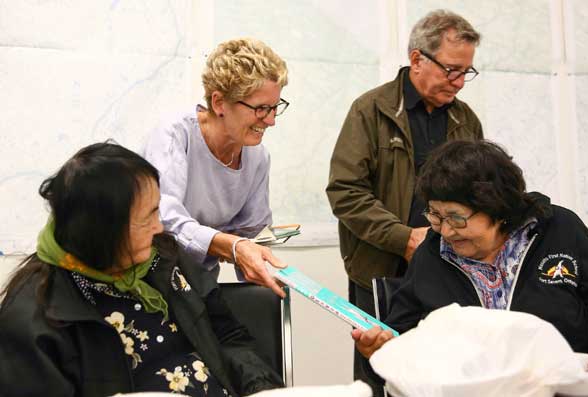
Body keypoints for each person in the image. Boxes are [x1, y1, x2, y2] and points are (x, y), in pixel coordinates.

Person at [0, 142, 283, 397]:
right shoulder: (36, 319)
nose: (159, 227)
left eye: (157, 211)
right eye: (146, 218)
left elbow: (229, 337)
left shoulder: (164, 256)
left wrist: (260, 390)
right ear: (103, 232)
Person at [326, 9, 483, 394]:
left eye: (467, 72)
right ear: (417, 59)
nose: (460, 82)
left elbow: (483, 195)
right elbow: (345, 191)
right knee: (379, 374)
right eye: (452, 70)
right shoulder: (370, 110)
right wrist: (403, 238)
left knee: (443, 373)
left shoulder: (466, 121)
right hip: (380, 270)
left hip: (450, 271)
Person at [353, 140, 588, 362]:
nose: (444, 231)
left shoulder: (560, 229)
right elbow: (399, 338)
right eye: (434, 215)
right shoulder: (431, 254)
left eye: (456, 218)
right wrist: (380, 350)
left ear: (497, 208)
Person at [143, 38, 289, 297]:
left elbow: (251, 235)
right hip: (149, 283)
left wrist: (264, 282)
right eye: (261, 109)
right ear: (220, 102)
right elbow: (164, 222)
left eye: (275, 107)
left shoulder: (257, 157)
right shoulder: (173, 135)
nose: (271, 120)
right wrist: (232, 246)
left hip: (200, 286)